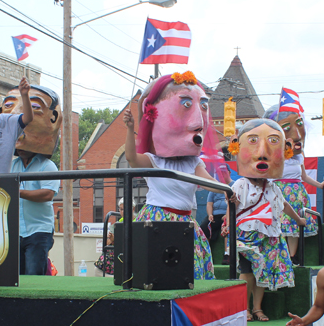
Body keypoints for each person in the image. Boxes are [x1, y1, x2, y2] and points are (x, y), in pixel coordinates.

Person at [123, 71, 226, 280]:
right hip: (157, 218)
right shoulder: (155, 160)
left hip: (184, 220)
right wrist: (130, 129)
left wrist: (227, 190)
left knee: (190, 268)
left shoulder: (193, 163)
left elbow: (209, 183)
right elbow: (132, 159)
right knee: (155, 268)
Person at [222, 119, 306, 322]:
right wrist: (227, 223)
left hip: (269, 235)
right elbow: (231, 205)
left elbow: (284, 204)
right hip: (246, 234)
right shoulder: (240, 184)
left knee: (263, 274)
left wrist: (298, 220)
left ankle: (257, 308)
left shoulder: (272, 187)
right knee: (248, 271)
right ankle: (245, 308)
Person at [263, 103, 324, 264]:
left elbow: (304, 176)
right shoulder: (274, 156)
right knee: (279, 223)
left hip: (297, 192)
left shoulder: (299, 157)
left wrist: (319, 185)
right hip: (279, 191)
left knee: (294, 227)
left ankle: (292, 256)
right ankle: (279, 254)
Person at [11, 149, 60, 275]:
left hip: (39, 230)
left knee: (34, 277)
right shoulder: (12, 165)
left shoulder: (47, 165)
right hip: (14, 230)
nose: (20, 147)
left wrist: (17, 192)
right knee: (15, 277)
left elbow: (48, 194)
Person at [1, 84, 62, 157]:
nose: (14, 112)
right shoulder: (14, 164)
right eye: (8, 105)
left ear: (54, 118)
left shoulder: (46, 166)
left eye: (34, 106)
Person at [200, 163, 233, 265]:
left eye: (224, 173)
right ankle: (205, 254)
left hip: (229, 214)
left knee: (228, 227)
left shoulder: (235, 185)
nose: (222, 175)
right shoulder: (215, 186)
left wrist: (227, 215)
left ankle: (227, 254)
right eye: (220, 173)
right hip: (215, 215)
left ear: (229, 173)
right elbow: (209, 204)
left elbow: (234, 203)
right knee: (204, 226)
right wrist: (210, 214)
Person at [94, 197, 136, 276]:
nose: (122, 212)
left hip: (126, 254)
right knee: (98, 267)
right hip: (116, 252)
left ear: (133, 209)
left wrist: (115, 240)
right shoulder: (117, 224)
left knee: (99, 268)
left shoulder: (137, 223)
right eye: (120, 209)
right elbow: (107, 243)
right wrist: (112, 239)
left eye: (124, 209)